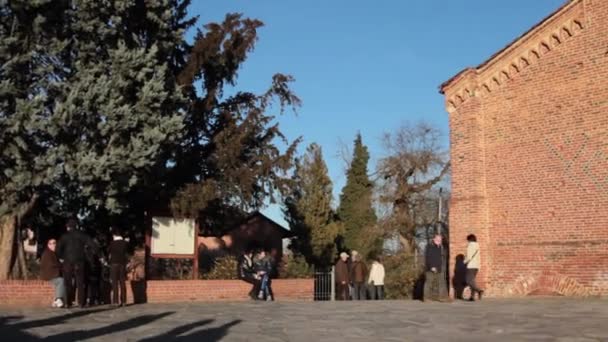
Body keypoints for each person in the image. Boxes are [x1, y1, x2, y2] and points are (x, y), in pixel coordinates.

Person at [57, 218, 94, 308]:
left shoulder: (64, 236)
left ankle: (68, 302)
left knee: (68, 283)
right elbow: (92, 244)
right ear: (76, 226)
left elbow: (58, 249)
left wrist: (61, 257)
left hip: (67, 261)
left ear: (68, 227)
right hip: (80, 261)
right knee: (80, 282)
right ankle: (81, 302)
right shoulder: (82, 235)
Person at [40, 238, 65, 308]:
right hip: (49, 276)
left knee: (61, 280)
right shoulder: (47, 253)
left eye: (55, 243)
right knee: (61, 281)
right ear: (49, 245)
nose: (55, 245)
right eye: (53, 243)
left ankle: (55, 300)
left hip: (52, 274)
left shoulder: (52, 253)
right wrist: (61, 264)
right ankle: (58, 299)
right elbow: (52, 264)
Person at [424, 233, 449, 302]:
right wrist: (432, 266)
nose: (439, 241)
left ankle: (442, 297)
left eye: (440, 240)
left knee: (441, 282)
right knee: (429, 283)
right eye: (438, 239)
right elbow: (428, 257)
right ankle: (426, 298)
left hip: (439, 268)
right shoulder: (429, 246)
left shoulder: (440, 247)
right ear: (434, 239)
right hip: (431, 268)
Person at [108, 229, 129, 307]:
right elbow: (127, 253)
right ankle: (124, 301)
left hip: (114, 264)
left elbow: (109, 252)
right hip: (122, 264)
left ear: (114, 235)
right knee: (122, 282)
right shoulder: (125, 243)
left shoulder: (112, 243)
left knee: (114, 283)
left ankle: (116, 301)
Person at [464, 234, 484, 301]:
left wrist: (464, 262)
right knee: (472, 281)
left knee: (468, 280)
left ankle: (479, 290)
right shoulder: (477, 246)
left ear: (469, 239)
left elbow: (469, 256)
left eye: (468, 240)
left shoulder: (470, 246)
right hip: (476, 266)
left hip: (471, 265)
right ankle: (472, 297)